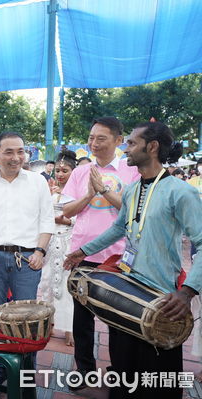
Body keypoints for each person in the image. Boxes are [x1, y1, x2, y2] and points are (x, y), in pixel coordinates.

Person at [64, 121, 202, 399]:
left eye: (132, 144)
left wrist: (187, 292)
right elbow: (118, 229)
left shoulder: (181, 191)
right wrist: (83, 251)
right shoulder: (132, 188)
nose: (126, 148)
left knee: (158, 377)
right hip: (127, 289)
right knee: (125, 364)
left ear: (152, 148)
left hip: (162, 297)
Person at [0, 132, 55, 387]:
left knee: (26, 319)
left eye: (21, 151)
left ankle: (24, 373)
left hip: (27, 260)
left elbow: (46, 220)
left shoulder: (37, 182)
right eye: (9, 152)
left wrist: (40, 252)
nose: (16, 157)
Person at [61, 117, 140, 386]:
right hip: (82, 255)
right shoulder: (81, 172)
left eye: (101, 138)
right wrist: (88, 194)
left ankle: (119, 374)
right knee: (82, 321)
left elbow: (132, 213)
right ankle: (85, 372)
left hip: (118, 258)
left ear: (119, 140)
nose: (93, 143)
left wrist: (104, 190)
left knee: (119, 322)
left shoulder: (132, 171)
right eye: (91, 137)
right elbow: (66, 211)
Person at [38, 150, 77, 346]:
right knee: (46, 283)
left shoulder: (79, 193)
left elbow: (80, 220)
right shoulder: (48, 192)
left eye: (65, 170)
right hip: (50, 242)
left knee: (67, 286)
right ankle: (49, 323)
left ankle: (69, 328)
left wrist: (59, 219)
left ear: (74, 171)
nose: (60, 174)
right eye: (58, 171)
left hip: (69, 243)